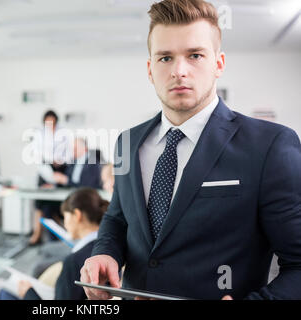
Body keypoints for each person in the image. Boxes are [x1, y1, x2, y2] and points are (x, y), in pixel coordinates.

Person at [80, 0, 301, 300]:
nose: (179, 71)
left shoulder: (269, 146)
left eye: (195, 55)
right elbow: (118, 219)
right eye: (165, 58)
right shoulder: (127, 142)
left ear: (218, 63)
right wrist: (104, 252)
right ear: (150, 69)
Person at [0, 187, 109, 300]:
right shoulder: (108, 249)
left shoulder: (74, 262)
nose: (65, 223)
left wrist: (28, 293)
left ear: (77, 215)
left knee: (5, 293)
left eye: (65, 217)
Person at [29, 110, 71, 245]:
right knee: (39, 203)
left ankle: (59, 234)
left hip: (60, 168)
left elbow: (68, 152)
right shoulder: (39, 134)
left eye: (52, 122)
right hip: (45, 169)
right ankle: (37, 234)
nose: (50, 125)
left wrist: (59, 160)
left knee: (55, 203)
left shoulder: (63, 133)